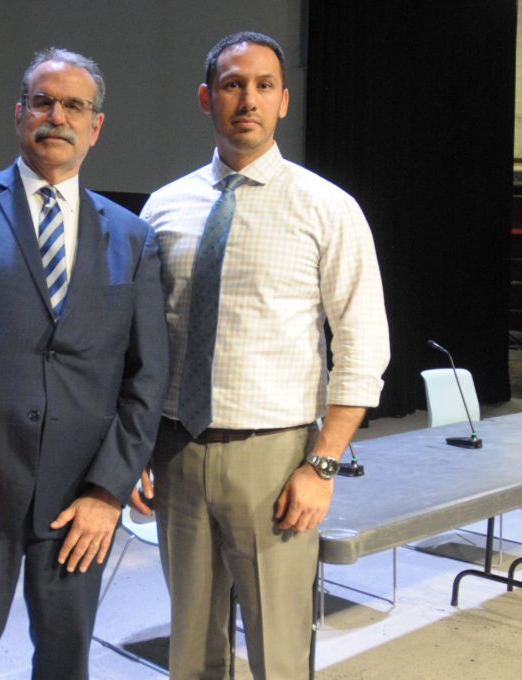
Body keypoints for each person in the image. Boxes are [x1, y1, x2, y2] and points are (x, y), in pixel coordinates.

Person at [0, 47, 168, 680]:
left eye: (74, 105)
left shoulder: (131, 235)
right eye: (43, 101)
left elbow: (146, 375)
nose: (56, 115)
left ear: (96, 127)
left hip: (79, 501)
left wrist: (108, 489)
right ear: (19, 114)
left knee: (65, 662)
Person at [135, 32, 390, 679]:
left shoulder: (327, 208)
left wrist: (322, 464)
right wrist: (136, 450)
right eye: (231, 84)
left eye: (263, 85)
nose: (247, 98)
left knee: (278, 647)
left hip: (276, 462)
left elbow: (362, 344)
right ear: (206, 98)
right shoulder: (165, 208)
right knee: (190, 649)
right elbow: (146, 341)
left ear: (284, 101)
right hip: (177, 451)